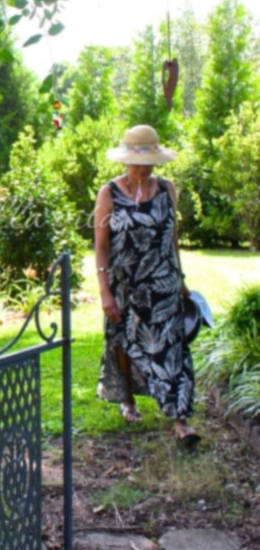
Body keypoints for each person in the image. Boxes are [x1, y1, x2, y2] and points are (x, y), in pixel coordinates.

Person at [94, 125, 199, 447]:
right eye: (139, 162)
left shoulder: (167, 189)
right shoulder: (109, 193)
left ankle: (180, 421)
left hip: (163, 284)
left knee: (173, 348)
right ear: (126, 161)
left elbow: (172, 239)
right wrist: (105, 292)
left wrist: (180, 279)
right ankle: (128, 399)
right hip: (125, 286)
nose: (145, 168)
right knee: (125, 343)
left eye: (151, 162)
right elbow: (101, 246)